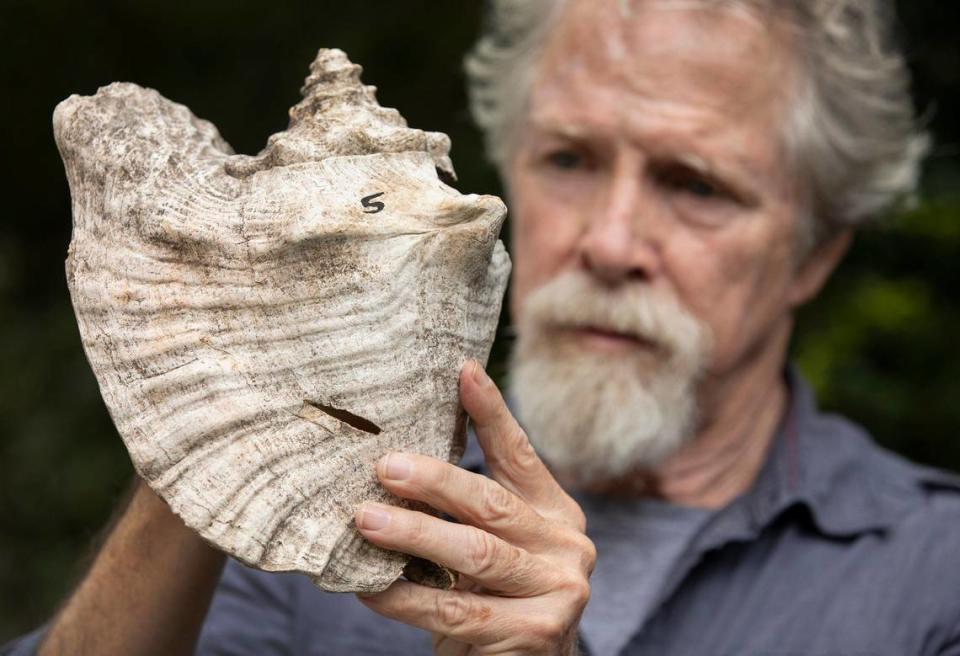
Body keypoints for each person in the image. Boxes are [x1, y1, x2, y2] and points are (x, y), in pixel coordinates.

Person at [6, 0, 960, 654]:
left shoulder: (930, 577)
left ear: (816, 250)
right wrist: (214, 414)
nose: (611, 240)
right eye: (570, 160)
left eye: (694, 185)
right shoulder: (322, 521)